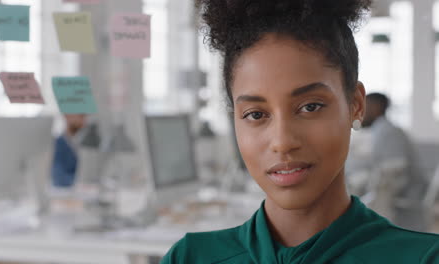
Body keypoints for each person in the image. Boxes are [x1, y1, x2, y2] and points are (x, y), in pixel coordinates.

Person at [161, 0, 438, 263]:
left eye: (310, 107)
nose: (282, 142)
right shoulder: (190, 257)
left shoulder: (423, 258)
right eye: (256, 114)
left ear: (355, 105)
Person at [361, 92, 427, 231]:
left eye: (363, 106)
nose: (359, 112)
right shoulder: (381, 130)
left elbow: (393, 171)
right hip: (399, 199)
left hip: (404, 203)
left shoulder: (388, 131)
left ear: (376, 107)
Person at [51, 114, 86, 188]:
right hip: (64, 192)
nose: (84, 120)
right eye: (80, 115)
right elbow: (58, 178)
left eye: (85, 116)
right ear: (67, 116)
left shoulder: (84, 142)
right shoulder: (58, 144)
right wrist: (81, 183)